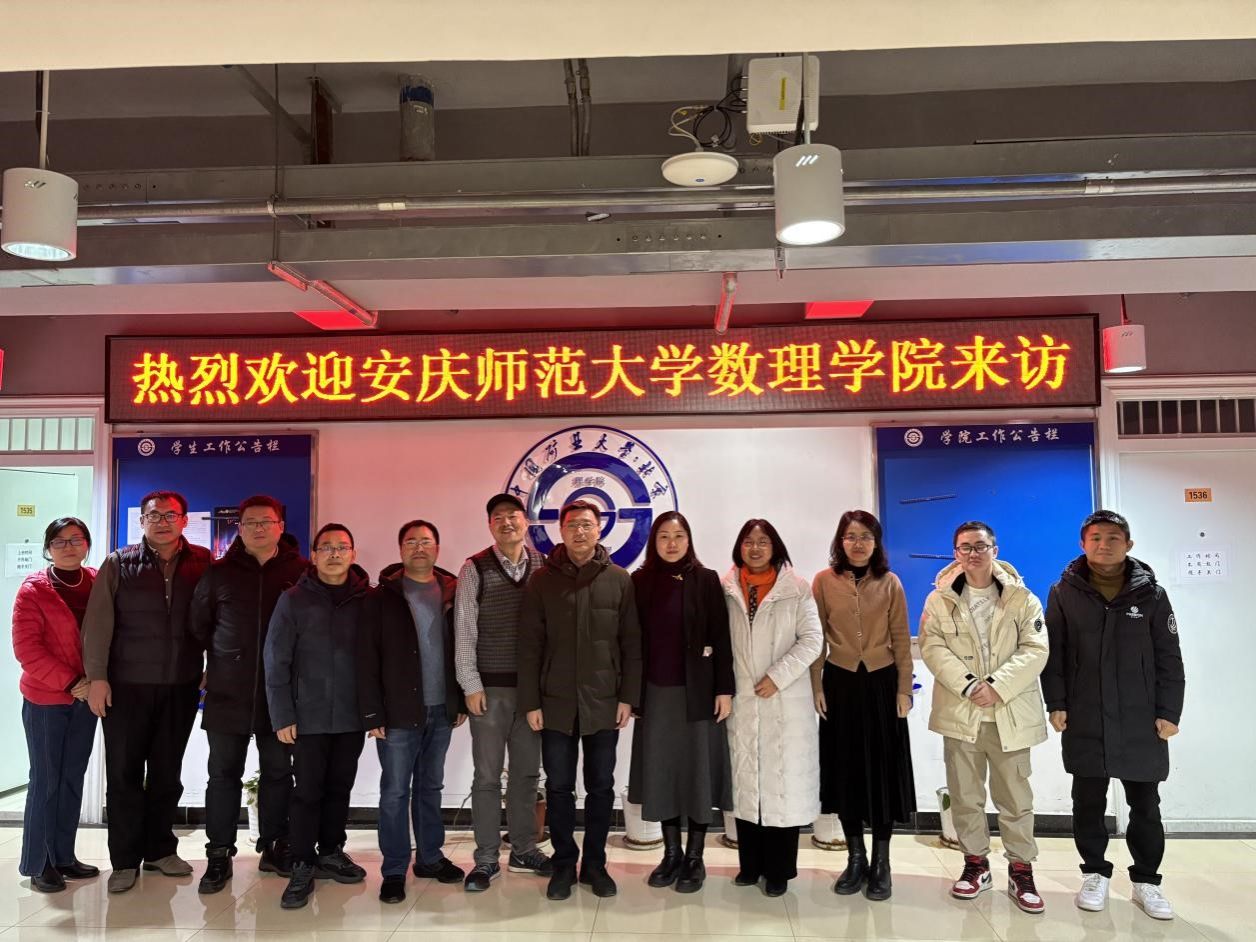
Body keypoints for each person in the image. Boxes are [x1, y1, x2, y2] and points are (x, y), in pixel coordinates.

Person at [1042, 510, 1185, 921]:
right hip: (1085, 713)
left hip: (1141, 717)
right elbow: (1054, 654)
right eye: (1095, 538)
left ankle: (1147, 880)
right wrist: (1056, 703)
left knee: (1145, 803)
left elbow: (1169, 657)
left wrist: (1169, 711)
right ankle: (1094, 873)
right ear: (1082, 544)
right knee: (1087, 801)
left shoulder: (1151, 594)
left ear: (1128, 545)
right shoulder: (1064, 592)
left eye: (1113, 538)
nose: (1103, 545)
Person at [82, 490, 212, 894]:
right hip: (126, 687)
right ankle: (124, 860)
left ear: (184, 520)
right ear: (141, 522)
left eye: (170, 515)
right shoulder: (118, 563)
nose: (162, 522)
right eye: (153, 515)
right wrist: (97, 677)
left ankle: (159, 850)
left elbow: (217, 616)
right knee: (123, 774)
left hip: (180, 685)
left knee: (166, 773)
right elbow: (97, 624)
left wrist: (213, 665)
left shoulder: (203, 562)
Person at [920, 520, 1049, 915]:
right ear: (955, 553)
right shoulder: (939, 600)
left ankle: (1021, 870)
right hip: (962, 714)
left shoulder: (1022, 598)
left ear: (995, 549)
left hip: (1010, 713)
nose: (973, 553)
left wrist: (996, 686)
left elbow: (1036, 649)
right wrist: (969, 685)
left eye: (980, 546)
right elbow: (932, 646)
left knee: (1016, 798)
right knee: (965, 796)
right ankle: (975, 865)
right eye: (965, 547)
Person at [518, 499, 642, 901]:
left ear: (600, 529)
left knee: (601, 787)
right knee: (558, 788)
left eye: (587, 524)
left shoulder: (619, 580)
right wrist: (531, 702)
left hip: (604, 702)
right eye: (572, 525)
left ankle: (595, 865)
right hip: (555, 702)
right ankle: (563, 865)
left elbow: (631, 644)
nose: (580, 532)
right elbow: (529, 647)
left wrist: (628, 697)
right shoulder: (542, 581)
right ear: (562, 530)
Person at [189, 495, 308, 894]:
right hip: (229, 690)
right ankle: (219, 853)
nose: (259, 528)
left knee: (278, 772)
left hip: (281, 695)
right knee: (223, 775)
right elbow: (198, 626)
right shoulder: (218, 573)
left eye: (266, 521)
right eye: (251, 522)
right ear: (239, 529)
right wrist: (214, 664)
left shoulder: (300, 571)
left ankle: (274, 846)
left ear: (280, 526)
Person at [359, 519, 468, 905]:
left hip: (441, 709)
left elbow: (463, 646)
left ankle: (430, 858)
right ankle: (393, 869)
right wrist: (373, 714)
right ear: (400, 549)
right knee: (394, 791)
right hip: (397, 711)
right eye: (411, 542)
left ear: (437, 547)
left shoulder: (453, 591)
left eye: (426, 541)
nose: (419, 548)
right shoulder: (381, 597)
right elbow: (366, 657)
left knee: (430, 786)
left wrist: (458, 700)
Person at [264, 522, 370, 910]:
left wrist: (375, 712)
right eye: (326, 547)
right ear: (314, 555)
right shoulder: (293, 599)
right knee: (307, 791)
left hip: (352, 715)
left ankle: (330, 851)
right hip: (306, 716)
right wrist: (282, 715)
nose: (335, 554)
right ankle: (302, 862)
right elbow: (276, 660)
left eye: (342, 547)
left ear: (353, 554)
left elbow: (377, 658)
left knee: (340, 787)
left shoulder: (367, 599)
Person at [811, 509, 915, 902]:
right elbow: (815, 637)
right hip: (839, 683)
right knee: (846, 771)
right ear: (840, 541)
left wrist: (904, 690)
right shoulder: (824, 581)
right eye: (851, 536)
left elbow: (901, 639)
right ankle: (855, 858)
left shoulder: (890, 583)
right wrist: (816, 684)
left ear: (876, 543)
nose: (858, 544)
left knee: (882, 773)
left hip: (881, 684)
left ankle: (881, 862)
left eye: (866, 537)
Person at [628, 512, 733, 894]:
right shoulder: (640, 581)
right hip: (656, 693)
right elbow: (631, 641)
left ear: (689, 540)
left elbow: (721, 637)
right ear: (653, 541)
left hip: (699, 694)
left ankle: (695, 857)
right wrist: (631, 694)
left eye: (679, 536)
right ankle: (671, 854)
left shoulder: (706, 580)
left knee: (697, 773)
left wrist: (724, 689)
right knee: (662, 773)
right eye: (664, 536)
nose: (671, 543)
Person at [454, 493, 552, 893]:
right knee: (487, 777)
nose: (507, 522)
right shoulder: (474, 567)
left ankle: (525, 848)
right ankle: (486, 857)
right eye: (498, 517)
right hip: (489, 689)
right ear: (490, 525)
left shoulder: (545, 566)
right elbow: (464, 628)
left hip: (532, 693)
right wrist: (470, 683)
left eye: (513, 515)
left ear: (525, 521)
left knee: (527, 774)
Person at [722, 518, 822, 898]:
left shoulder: (797, 588)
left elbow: (812, 640)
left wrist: (778, 676)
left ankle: (779, 870)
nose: (755, 548)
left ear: (775, 547)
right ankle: (750, 865)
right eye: (748, 541)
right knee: (748, 781)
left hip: (784, 699)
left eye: (763, 541)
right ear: (739, 547)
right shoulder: (727, 588)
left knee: (782, 784)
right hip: (744, 699)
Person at [12, 517, 99, 893]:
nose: (68, 547)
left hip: (87, 700)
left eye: (76, 539)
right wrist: (71, 682)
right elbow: (27, 649)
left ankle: (63, 855)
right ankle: (38, 862)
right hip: (46, 699)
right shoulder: (33, 590)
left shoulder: (97, 582)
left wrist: (93, 683)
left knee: (72, 778)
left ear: (87, 545)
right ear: (48, 548)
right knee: (46, 780)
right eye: (59, 541)